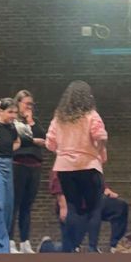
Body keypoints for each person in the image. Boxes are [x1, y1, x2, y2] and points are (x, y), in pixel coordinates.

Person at [46, 81, 108, 252]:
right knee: (94, 207)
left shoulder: (59, 117)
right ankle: (93, 247)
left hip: (65, 169)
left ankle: (73, 248)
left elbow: (49, 144)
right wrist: (99, 151)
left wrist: (64, 149)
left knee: (72, 207)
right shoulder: (91, 115)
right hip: (89, 165)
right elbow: (101, 136)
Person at [49, 170, 128, 252]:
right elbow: (56, 179)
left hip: (92, 201)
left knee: (119, 206)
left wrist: (105, 188)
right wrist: (63, 205)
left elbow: (96, 176)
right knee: (70, 247)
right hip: (74, 204)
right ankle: (48, 247)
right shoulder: (67, 160)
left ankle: (115, 246)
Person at [12, 89, 48, 254]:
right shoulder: (13, 122)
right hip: (18, 164)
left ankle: (25, 241)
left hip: (34, 166)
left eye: (31, 104)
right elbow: (19, 138)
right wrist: (32, 141)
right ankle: (11, 240)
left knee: (27, 205)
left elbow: (43, 137)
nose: (29, 107)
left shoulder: (35, 122)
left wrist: (31, 120)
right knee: (15, 204)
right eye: (26, 103)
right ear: (18, 103)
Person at [0, 98, 21, 254]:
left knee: (8, 205)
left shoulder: (11, 127)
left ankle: (3, 244)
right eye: (10, 112)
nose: (13, 115)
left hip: (8, 163)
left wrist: (8, 149)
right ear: (0, 111)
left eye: (15, 112)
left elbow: (17, 141)